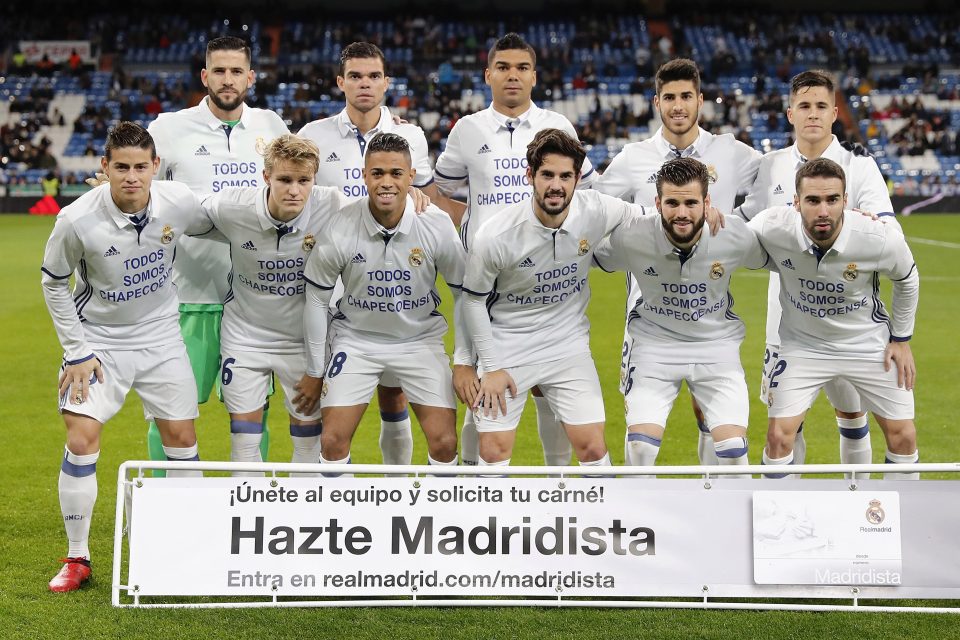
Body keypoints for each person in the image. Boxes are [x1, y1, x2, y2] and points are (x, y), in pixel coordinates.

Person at [41, 122, 205, 593]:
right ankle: (77, 557)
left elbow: (223, 217)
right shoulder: (75, 220)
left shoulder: (178, 201)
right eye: (121, 167)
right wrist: (76, 351)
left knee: (181, 436)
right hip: (99, 343)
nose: (132, 176)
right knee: (81, 436)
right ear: (105, 168)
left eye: (140, 167)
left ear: (156, 166)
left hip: (161, 338)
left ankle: (188, 546)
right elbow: (53, 281)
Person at [435, 32, 597, 467]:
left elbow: (588, 190)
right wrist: (474, 234)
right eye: (503, 67)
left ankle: (557, 482)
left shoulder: (558, 126)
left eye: (522, 68)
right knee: (480, 387)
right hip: (484, 281)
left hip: (544, 277)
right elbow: (445, 190)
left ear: (534, 76)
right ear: (488, 75)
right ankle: (474, 488)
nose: (513, 75)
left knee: (549, 388)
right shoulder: (467, 130)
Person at [298, 41, 463, 467]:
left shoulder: (410, 135)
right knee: (332, 428)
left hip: (403, 282)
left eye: (373, 76)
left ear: (386, 82)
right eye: (355, 76)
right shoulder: (312, 136)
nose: (364, 84)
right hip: (340, 286)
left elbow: (425, 197)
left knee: (395, 398)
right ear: (341, 82)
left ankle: (397, 500)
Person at [595, 58, 761, 466]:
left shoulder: (731, 151)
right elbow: (594, 207)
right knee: (642, 434)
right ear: (656, 102)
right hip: (651, 308)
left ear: (700, 100)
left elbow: (781, 182)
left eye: (686, 96)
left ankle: (710, 502)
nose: (678, 105)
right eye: (669, 97)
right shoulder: (634, 158)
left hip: (709, 304)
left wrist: (740, 219)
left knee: (710, 416)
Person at [737, 70, 895, 470]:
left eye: (821, 106)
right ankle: (788, 515)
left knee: (853, 419)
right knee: (786, 426)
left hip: (851, 322)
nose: (812, 114)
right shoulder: (771, 166)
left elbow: (888, 230)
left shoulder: (859, 166)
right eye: (804, 106)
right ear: (790, 113)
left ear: (834, 112)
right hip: (787, 324)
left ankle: (857, 509)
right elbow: (746, 229)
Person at [146, 36, 289, 469]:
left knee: (252, 415)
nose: (228, 80)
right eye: (219, 72)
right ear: (205, 76)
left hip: (253, 303)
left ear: (251, 76)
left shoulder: (272, 127)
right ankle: (166, 508)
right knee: (169, 415)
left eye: (236, 71)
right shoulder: (167, 129)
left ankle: (246, 510)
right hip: (185, 297)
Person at [461, 128, 638, 471]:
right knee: (494, 451)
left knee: (593, 448)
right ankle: (488, 525)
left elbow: (643, 218)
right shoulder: (496, 235)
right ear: (530, 176)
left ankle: (603, 525)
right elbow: (472, 302)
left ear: (576, 179)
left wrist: (701, 218)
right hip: (508, 345)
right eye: (547, 175)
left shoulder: (597, 209)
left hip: (567, 344)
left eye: (565, 176)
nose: (556, 185)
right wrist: (491, 367)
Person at [747, 158, 919, 479]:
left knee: (904, 435)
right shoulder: (771, 226)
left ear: (846, 201)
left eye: (832, 200)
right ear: (796, 203)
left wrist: (901, 339)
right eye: (813, 200)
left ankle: (886, 519)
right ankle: (779, 523)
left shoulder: (876, 237)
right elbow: (730, 243)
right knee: (778, 436)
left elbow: (908, 278)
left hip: (867, 345)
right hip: (803, 347)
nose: (823, 210)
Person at [200, 135, 346, 476]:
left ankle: (297, 519)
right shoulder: (232, 207)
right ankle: (249, 522)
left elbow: (382, 210)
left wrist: (415, 196)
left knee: (308, 439)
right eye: (284, 180)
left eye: (303, 180)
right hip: (245, 336)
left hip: (303, 341)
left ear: (314, 179)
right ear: (266, 177)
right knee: (244, 439)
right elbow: (177, 211)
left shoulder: (333, 204)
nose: (294, 189)